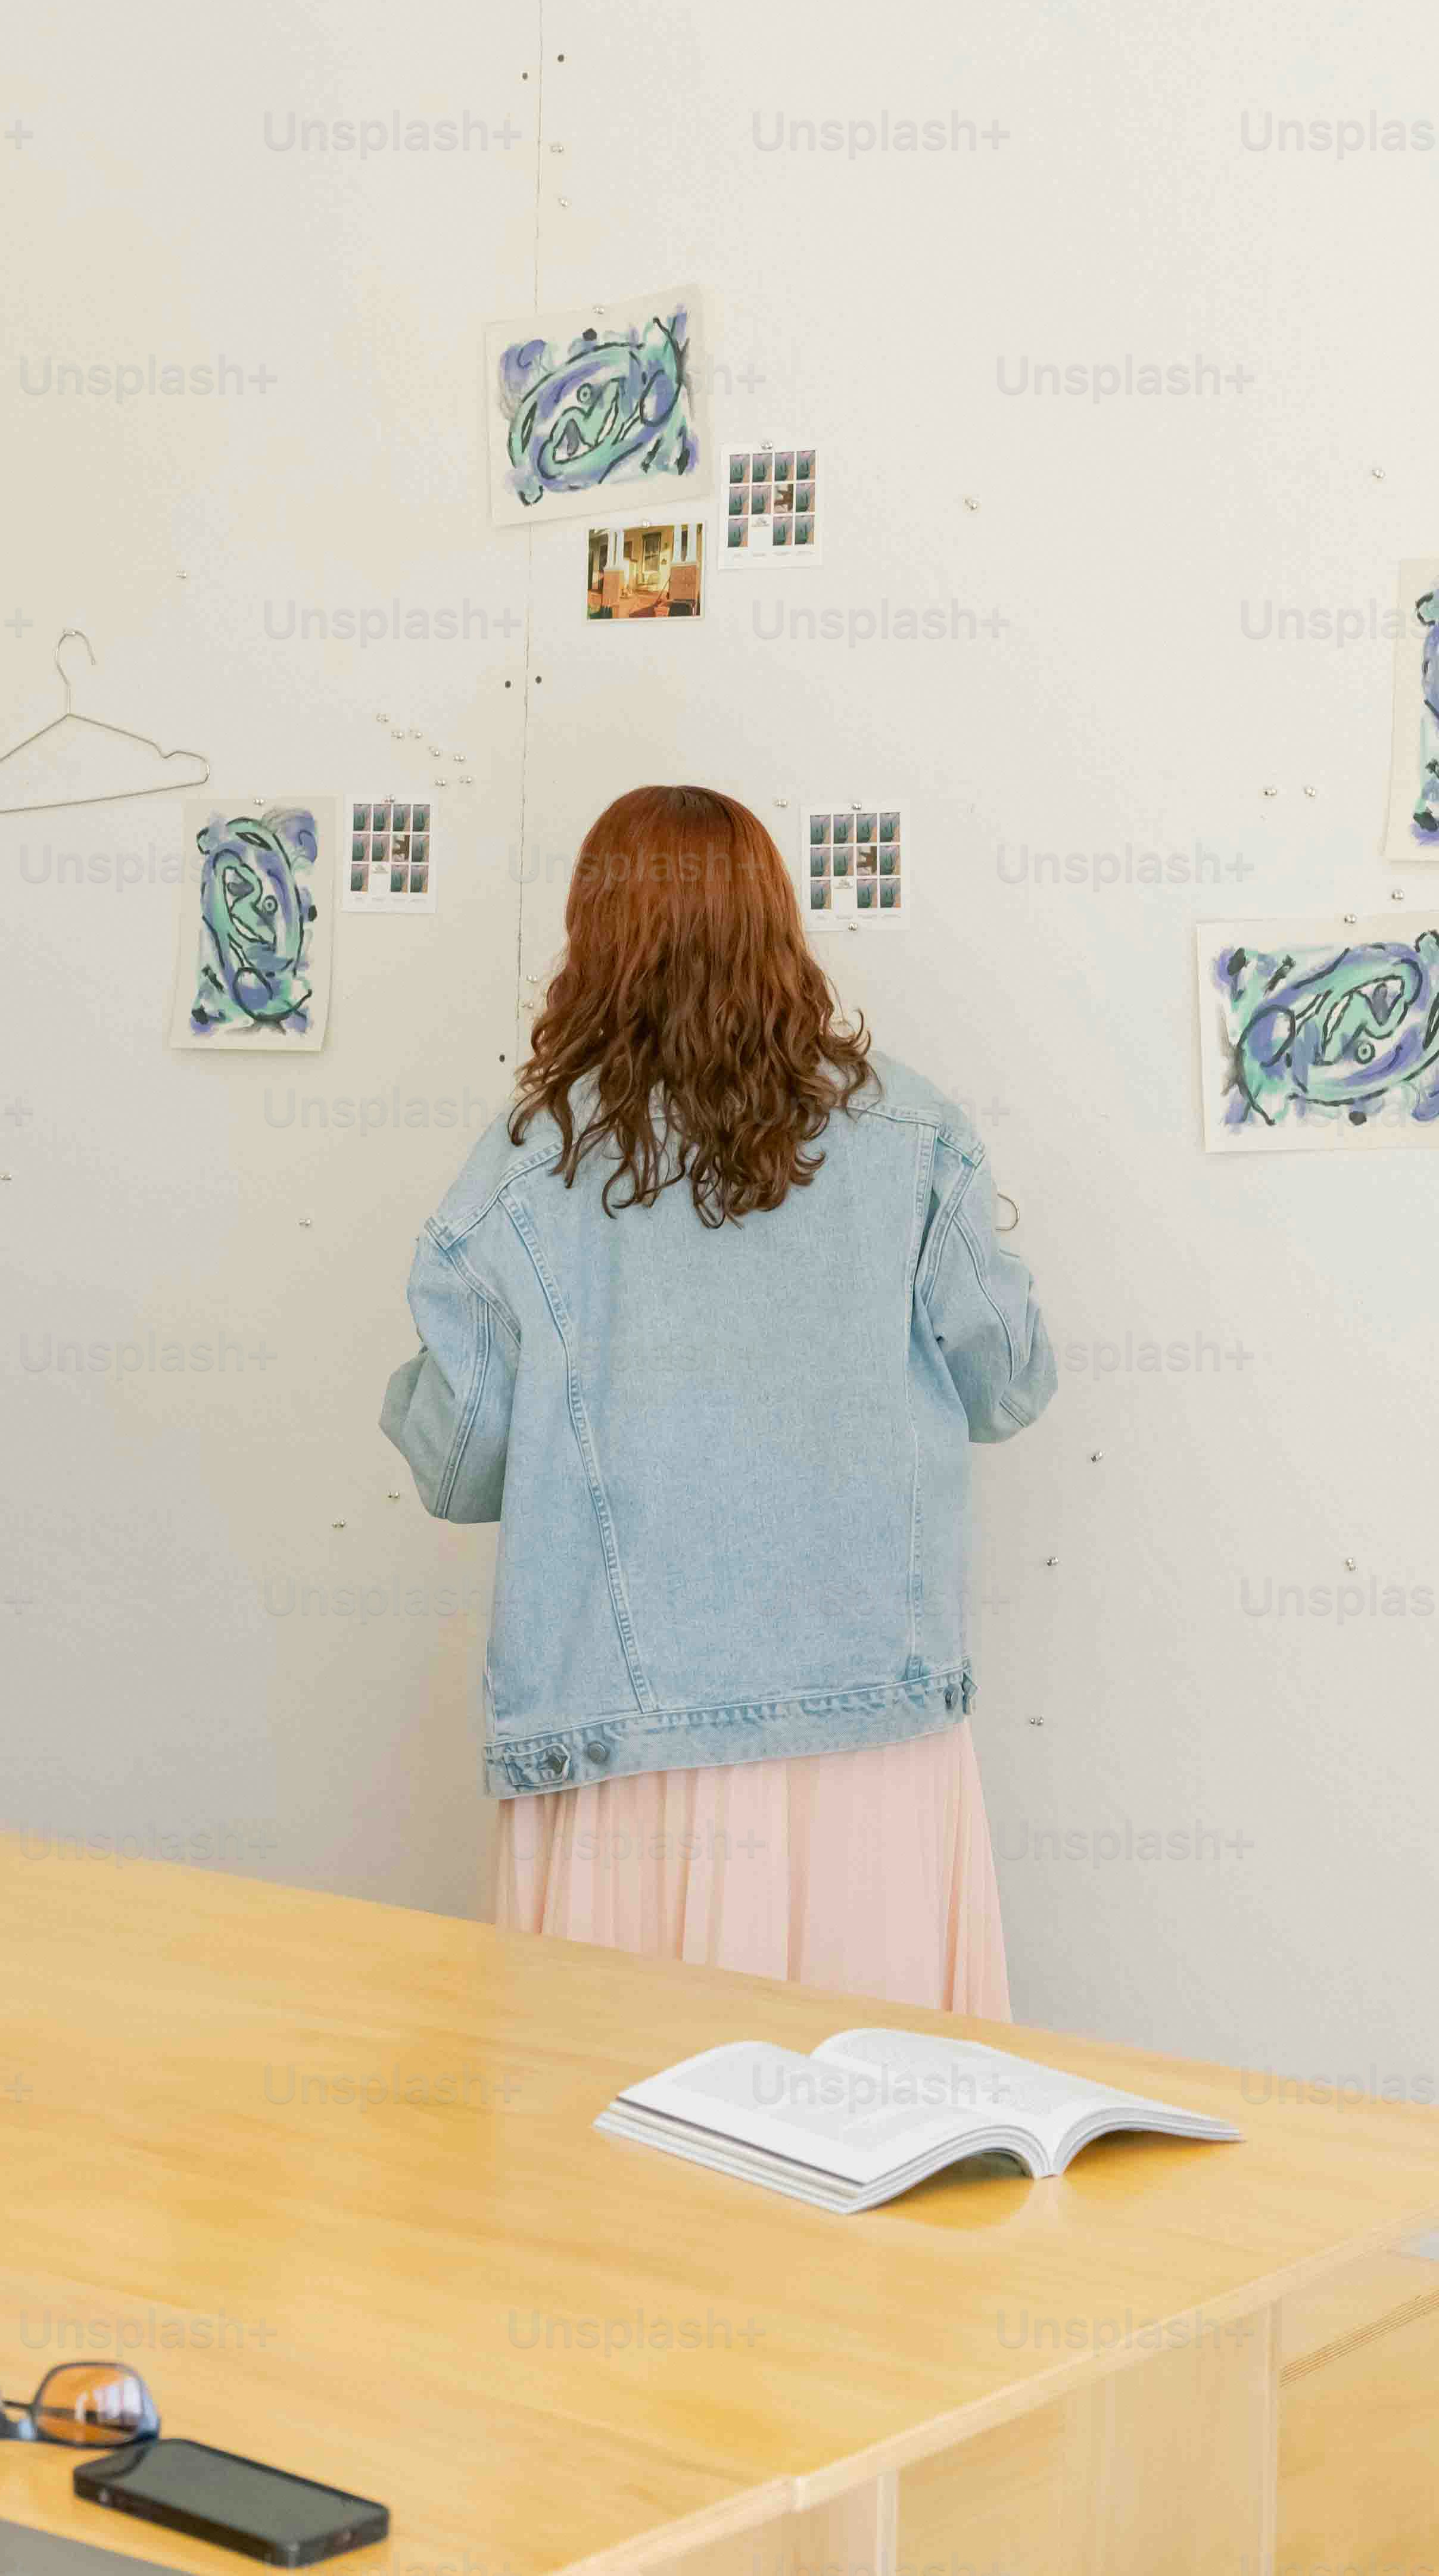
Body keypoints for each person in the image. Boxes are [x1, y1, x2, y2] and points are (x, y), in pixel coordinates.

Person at [380, 784, 1053, 2017]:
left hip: (618, 1743)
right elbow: (1006, 1386)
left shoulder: (525, 1164)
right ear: (775, 921)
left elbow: (461, 1467)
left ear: (594, 936)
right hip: (868, 1727)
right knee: (876, 2124)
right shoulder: (917, 1134)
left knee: (614, 2137)